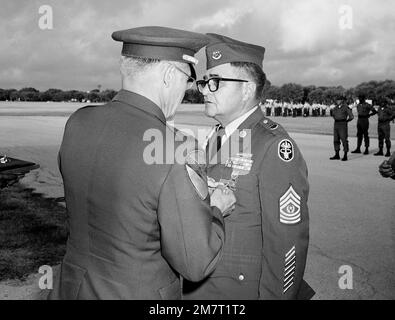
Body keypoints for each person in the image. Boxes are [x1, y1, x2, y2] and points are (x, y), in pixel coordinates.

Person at [48, 26, 236, 300]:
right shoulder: (175, 148)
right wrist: (215, 210)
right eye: (187, 81)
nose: (185, 92)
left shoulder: (79, 122)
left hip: (73, 289)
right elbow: (196, 262)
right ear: (170, 75)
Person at [182, 33, 313, 300]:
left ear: (247, 89)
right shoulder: (218, 135)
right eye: (205, 82)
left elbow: (287, 243)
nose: (205, 89)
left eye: (215, 82)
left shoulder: (272, 146)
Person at [330, 95, 354, 161]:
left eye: (339, 100)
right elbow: (333, 115)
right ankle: (337, 154)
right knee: (336, 140)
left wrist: (346, 121)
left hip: (343, 124)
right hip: (336, 124)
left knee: (344, 140)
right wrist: (337, 119)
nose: (337, 101)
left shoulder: (345, 107)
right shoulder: (335, 108)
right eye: (337, 100)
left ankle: (345, 155)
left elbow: (351, 116)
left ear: (342, 100)